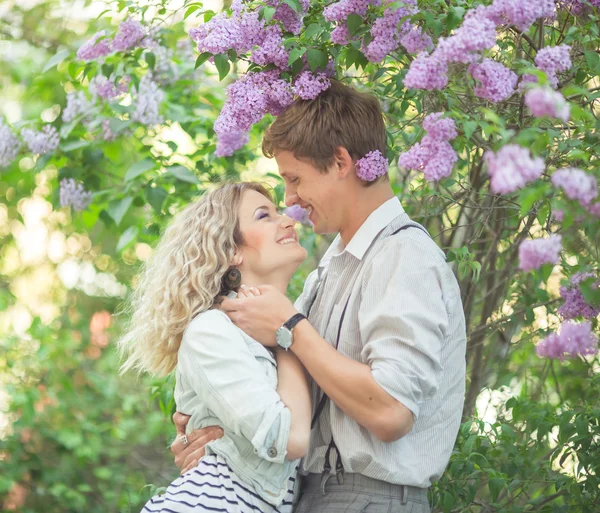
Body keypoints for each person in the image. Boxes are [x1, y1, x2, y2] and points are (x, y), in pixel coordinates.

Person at [172, 81, 467, 513]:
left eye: (295, 179)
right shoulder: (330, 269)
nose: (290, 199)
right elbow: (283, 404)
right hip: (312, 495)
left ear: (340, 161)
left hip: (367, 499)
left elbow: (391, 412)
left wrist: (291, 328)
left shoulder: (402, 254)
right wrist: (209, 431)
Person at [119, 182, 312, 513]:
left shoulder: (296, 325)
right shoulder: (210, 330)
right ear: (231, 250)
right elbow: (291, 440)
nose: (287, 220)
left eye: (279, 211)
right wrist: (287, 334)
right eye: (264, 215)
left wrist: (287, 327)